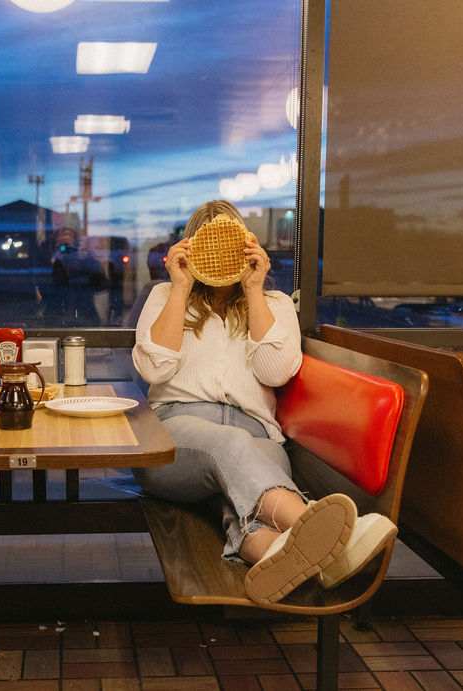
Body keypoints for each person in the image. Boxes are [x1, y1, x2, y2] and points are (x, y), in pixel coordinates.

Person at [131, 200, 396, 604]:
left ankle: (274, 554)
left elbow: (276, 372)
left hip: (258, 440)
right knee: (230, 447)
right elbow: (153, 368)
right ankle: (337, 536)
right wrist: (182, 288)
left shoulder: (272, 304)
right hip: (175, 438)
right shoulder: (166, 295)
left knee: (236, 500)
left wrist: (254, 289)